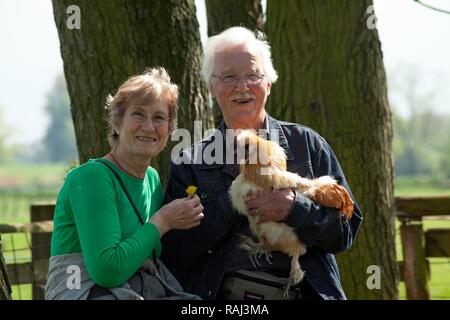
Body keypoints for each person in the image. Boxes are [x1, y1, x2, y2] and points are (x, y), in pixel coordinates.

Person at [161, 27, 363, 300]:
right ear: (212, 87)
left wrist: (295, 208)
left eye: (253, 75)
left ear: (268, 82)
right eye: (229, 77)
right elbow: (172, 253)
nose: (242, 87)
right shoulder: (190, 164)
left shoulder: (308, 145)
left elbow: (345, 233)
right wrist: (232, 206)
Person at [45, 67, 204, 300]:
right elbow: (108, 271)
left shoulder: (151, 179)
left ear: (169, 130)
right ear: (117, 123)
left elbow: (154, 251)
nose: (149, 126)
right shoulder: (92, 177)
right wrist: (164, 220)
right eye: (138, 114)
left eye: (159, 117)